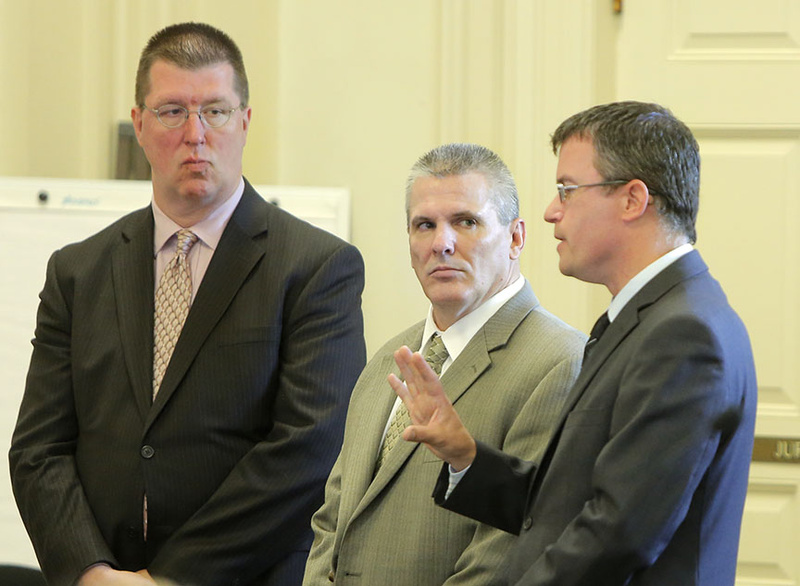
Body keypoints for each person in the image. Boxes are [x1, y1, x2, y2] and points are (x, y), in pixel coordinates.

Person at [9, 22, 366, 586]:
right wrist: (89, 571)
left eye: (216, 111)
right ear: (140, 125)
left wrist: (170, 578)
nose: (196, 134)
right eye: (173, 111)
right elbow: (39, 448)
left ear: (245, 122)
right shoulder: (77, 271)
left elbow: (308, 449)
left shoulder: (316, 266)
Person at [390, 102, 757, 586]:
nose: (550, 211)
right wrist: (467, 457)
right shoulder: (654, 315)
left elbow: (618, 532)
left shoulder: (683, 333)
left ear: (632, 200)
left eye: (567, 190)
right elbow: (566, 505)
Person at [302, 143, 585, 585]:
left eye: (466, 222)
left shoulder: (561, 363)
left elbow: (509, 554)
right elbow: (332, 521)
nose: (441, 243)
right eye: (424, 225)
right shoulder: (389, 360)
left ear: (515, 238)